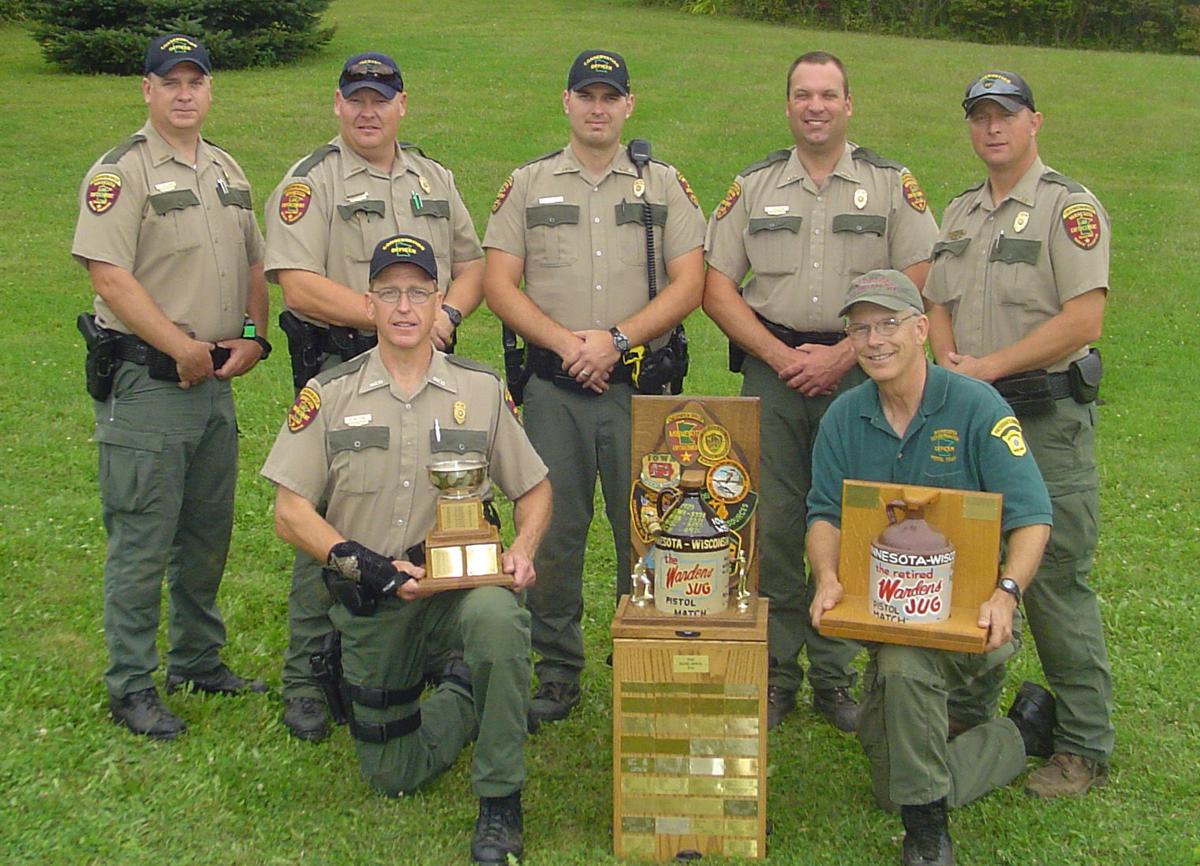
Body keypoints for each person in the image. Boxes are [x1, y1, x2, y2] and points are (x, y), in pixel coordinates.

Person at [261, 234, 551, 866]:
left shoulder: (478, 389)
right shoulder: (329, 395)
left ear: (439, 302)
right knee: (391, 770)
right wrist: (365, 566)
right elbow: (288, 514)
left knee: (498, 621)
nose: (403, 306)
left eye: (418, 292)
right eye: (389, 292)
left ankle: (500, 798)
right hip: (378, 599)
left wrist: (523, 548)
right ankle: (470, 691)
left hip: (459, 591)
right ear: (368, 305)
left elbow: (535, 488)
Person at [702, 51, 939, 731]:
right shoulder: (754, 186)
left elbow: (919, 269)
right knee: (773, 524)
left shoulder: (890, 185)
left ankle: (835, 676)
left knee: (856, 517)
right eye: (803, 95)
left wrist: (843, 355)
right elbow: (718, 285)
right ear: (787, 106)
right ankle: (777, 673)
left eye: (828, 95)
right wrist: (778, 355)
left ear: (848, 105)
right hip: (770, 372)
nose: (815, 106)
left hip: (861, 374)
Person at [263, 50, 486, 741]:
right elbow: (295, 282)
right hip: (344, 374)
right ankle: (307, 675)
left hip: (427, 374)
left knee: (426, 507)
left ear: (401, 104)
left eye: (379, 99)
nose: (368, 111)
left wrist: (444, 316)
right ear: (337, 105)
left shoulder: (434, 177)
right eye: (355, 99)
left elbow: (472, 263)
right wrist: (393, 316)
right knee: (324, 516)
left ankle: (414, 650)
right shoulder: (312, 182)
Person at [483, 49, 705, 726]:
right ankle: (556, 669)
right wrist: (564, 343)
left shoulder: (663, 185)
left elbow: (689, 282)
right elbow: (497, 283)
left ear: (629, 106)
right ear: (567, 101)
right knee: (553, 531)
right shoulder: (528, 184)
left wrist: (615, 340)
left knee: (650, 527)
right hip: (555, 391)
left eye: (611, 97)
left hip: (640, 386)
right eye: (587, 95)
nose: (599, 107)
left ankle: (649, 655)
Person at [807, 269, 1057, 866]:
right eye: (860, 328)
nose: (874, 340)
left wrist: (1007, 592)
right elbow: (823, 514)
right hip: (889, 617)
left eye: (889, 324)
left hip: (970, 628)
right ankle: (1019, 735)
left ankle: (927, 834)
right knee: (890, 775)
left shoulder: (977, 406)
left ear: (921, 329)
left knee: (902, 665)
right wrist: (827, 576)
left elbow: (1033, 516)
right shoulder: (844, 416)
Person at [71, 34, 269, 740]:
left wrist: (254, 332)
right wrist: (176, 345)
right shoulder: (120, 173)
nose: (184, 93)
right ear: (147, 91)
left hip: (214, 381)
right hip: (151, 382)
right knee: (142, 537)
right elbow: (108, 276)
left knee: (206, 533)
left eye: (196, 81)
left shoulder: (225, 167)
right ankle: (129, 683)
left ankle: (196, 661)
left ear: (210, 90)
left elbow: (253, 259)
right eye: (171, 81)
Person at [923, 71, 1113, 797]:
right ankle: (969, 715)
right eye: (979, 117)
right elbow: (936, 298)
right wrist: (946, 361)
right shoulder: (962, 210)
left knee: (1055, 580)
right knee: (971, 568)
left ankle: (1082, 746)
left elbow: (1082, 319)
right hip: (975, 423)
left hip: (1042, 420)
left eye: (1005, 116)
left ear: (1036, 122)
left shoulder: (1070, 208)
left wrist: (988, 369)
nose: (992, 129)